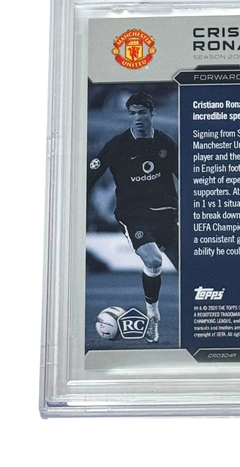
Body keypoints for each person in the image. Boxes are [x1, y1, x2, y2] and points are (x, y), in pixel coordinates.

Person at [87, 91, 178, 343]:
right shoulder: (117, 145)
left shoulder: (166, 143)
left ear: (152, 113)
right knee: (153, 260)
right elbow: (88, 177)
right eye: (133, 113)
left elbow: (184, 177)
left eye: (142, 112)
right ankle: (153, 316)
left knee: (189, 272)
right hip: (134, 215)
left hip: (167, 215)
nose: (137, 117)